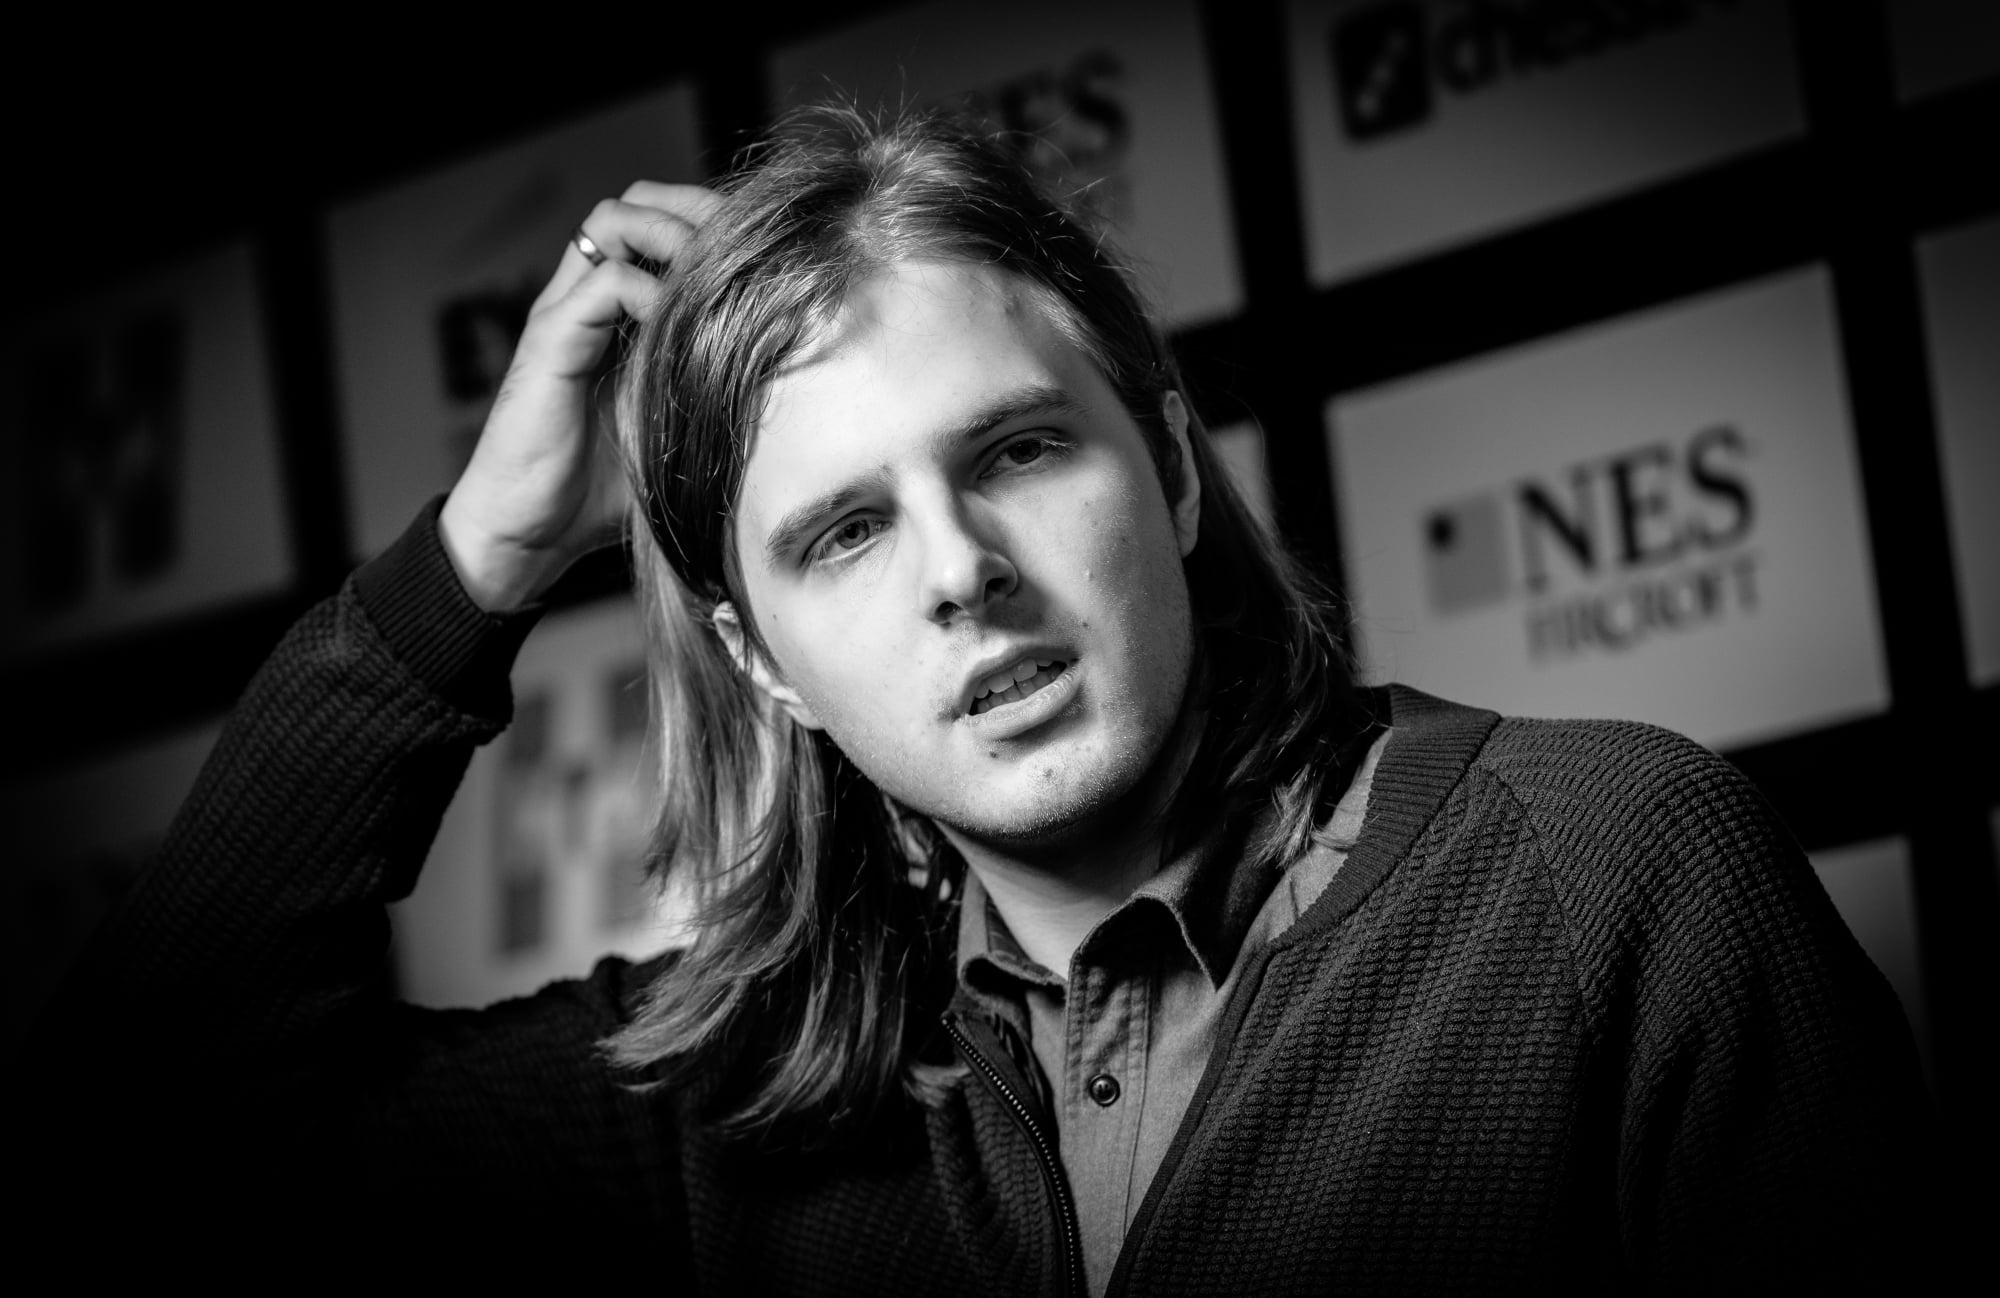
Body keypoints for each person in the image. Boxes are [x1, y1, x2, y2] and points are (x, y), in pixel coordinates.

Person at [28, 104, 1935, 1290]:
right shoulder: (739, 1102)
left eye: (1018, 450)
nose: (959, 567)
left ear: (1167, 471)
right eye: (844, 529)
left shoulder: (1605, 874)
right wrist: (478, 560)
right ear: (761, 659)